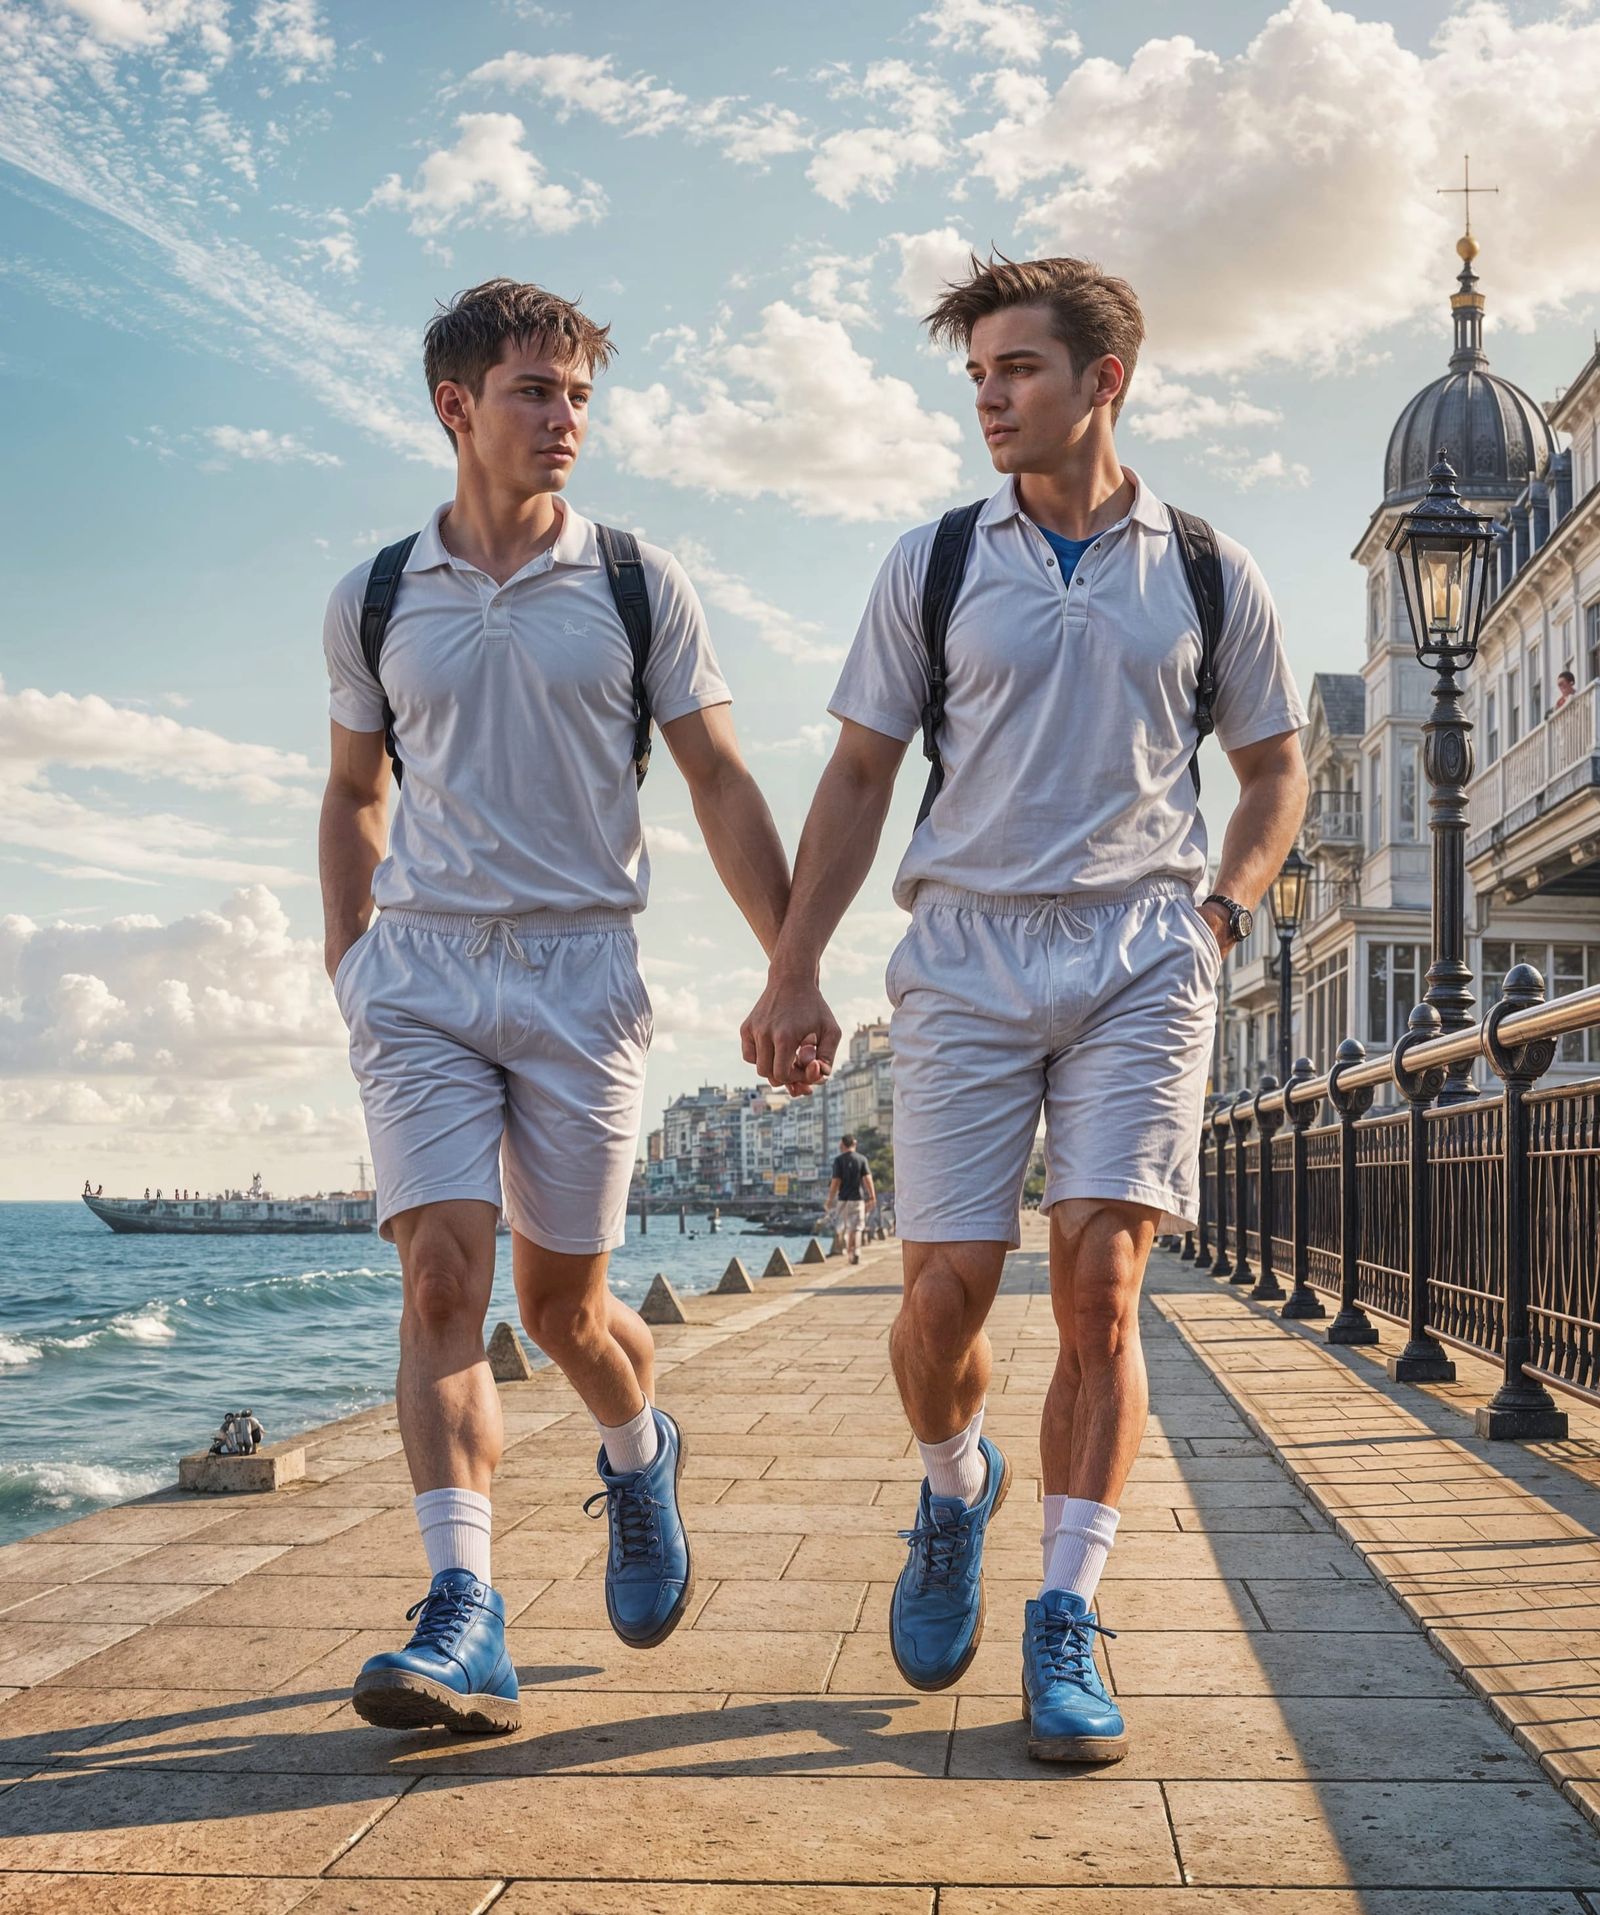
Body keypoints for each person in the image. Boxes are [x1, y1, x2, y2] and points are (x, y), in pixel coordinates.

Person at [743, 253, 1306, 1765]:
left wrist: (1222, 912)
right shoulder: (933, 563)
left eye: (1020, 369)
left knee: (1102, 1287)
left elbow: (1273, 765)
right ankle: (952, 1484)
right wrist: (793, 964)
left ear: (1103, 379)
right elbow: (861, 774)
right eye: (978, 373)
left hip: (1138, 949)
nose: (991, 397)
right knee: (943, 1296)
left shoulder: (1202, 564)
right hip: (969, 952)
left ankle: (1066, 1611)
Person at [320, 278, 801, 1737]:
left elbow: (717, 779)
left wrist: (791, 961)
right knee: (443, 1285)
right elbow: (354, 793)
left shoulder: (640, 582)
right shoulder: (378, 592)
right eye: (538, 391)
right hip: (423, 975)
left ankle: (637, 1450)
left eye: (582, 393)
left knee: (566, 1305)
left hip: (585, 972)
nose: (567, 420)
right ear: (456, 406)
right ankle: (464, 1609)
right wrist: (353, 961)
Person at [826, 1133, 876, 1264]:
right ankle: (857, 1251)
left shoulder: (838, 1161)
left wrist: (830, 1199)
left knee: (847, 1229)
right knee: (858, 1228)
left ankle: (850, 1255)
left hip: (843, 1200)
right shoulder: (862, 1159)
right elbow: (867, 1179)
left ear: (842, 1145)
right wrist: (872, 1196)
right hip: (858, 1199)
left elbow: (835, 1181)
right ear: (854, 1144)